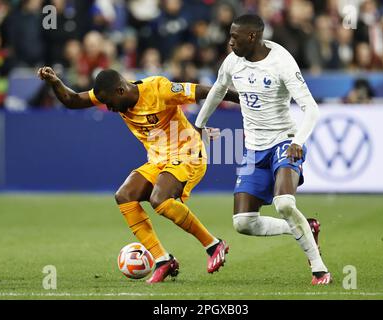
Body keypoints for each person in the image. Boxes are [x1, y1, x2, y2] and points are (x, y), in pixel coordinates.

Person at [38, 66, 239, 283]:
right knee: (125, 196)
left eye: (109, 103)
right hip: (159, 160)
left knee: (159, 200)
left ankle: (213, 245)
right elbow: (73, 100)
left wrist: (245, 101)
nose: (108, 107)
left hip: (188, 154)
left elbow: (206, 90)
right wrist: (55, 82)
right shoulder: (110, 92)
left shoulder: (159, 89)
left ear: (121, 91)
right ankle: (163, 260)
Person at [194, 14, 331, 285]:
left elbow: (311, 109)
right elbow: (218, 90)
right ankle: (305, 228)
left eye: (235, 37)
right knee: (243, 223)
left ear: (252, 37)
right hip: (253, 147)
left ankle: (319, 269)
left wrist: (297, 142)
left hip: (284, 140)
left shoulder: (281, 62)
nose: (230, 42)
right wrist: (199, 125)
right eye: (229, 36)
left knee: (284, 204)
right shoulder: (233, 62)